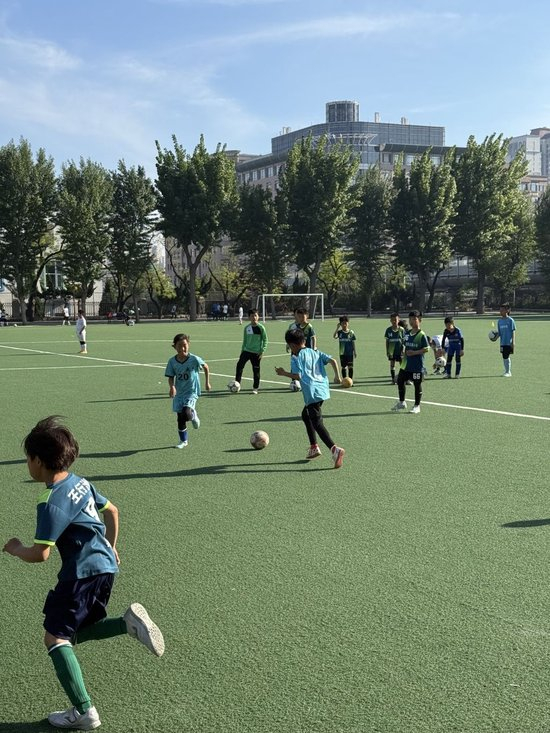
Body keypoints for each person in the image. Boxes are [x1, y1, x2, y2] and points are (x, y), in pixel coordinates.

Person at [2, 416, 164, 731]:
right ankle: (127, 624)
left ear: (38, 461)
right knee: (73, 633)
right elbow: (112, 511)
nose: (27, 464)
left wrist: (16, 547)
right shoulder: (80, 482)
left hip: (80, 574)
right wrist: (111, 547)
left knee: (55, 638)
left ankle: (84, 711)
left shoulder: (51, 501)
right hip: (105, 568)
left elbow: (40, 554)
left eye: (27, 458)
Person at [275, 329, 345, 468]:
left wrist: (283, 373)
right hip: (322, 390)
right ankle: (314, 447)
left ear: (292, 345)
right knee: (305, 415)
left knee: (317, 422)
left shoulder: (296, 356)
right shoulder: (314, 352)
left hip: (312, 393)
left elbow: (298, 376)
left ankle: (335, 449)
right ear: (304, 341)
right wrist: (337, 376)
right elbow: (332, 360)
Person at [165, 333, 211, 449]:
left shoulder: (194, 359)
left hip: (192, 392)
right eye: (179, 346)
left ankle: (193, 415)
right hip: (179, 393)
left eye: (184, 345)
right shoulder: (172, 361)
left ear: (188, 345)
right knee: (180, 418)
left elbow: (206, 367)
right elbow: (171, 377)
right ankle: (183, 441)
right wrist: (172, 387)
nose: (182, 348)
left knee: (186, 413)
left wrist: (207, 382)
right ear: (174, 347)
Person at [391, 310, 429, 414]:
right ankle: (402, 402)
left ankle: (417, 406)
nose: (412, 321)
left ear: (419, 320)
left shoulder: (421, 335)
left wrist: (414, 352)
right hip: (406, 364)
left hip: (417, 366)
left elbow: (426, 349)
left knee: (417, 384)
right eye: (410, 319)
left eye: (414, 319)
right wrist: (403, 352)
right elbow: (405, 345)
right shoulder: (407, 333)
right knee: (400, 381)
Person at [234, 309, 268, 394]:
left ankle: (255, 388)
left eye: (255, 315)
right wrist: (242, 351)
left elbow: (265, 340)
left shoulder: (261, 328)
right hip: (246, 351)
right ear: (249, 317)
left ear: (258, 317)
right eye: (252, 316)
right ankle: (237, 384)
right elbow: (245, 341)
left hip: (256, 352)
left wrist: (262, 351)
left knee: (256, 370)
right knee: (239, 366)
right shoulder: (247, 328)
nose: (254, 317)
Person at [333, 315, 357, 380]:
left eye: (346, 323)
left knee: (350, 367)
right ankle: (344, 380)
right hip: (342, 353)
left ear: (348, 323)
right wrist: (337, 328)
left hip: (350, 353)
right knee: (344, 367)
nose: (344, 325)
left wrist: (355, 351)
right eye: (343, 323)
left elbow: (353, 342)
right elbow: (334, 336)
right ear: (340, 324)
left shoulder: (351, 332)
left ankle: (350, 380)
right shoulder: (340, 332)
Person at [384, 313, 405, 384]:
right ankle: (393, 380)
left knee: (402, 365)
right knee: (392, 365)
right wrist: (387, 351)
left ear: (398, 320)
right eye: (392, 320)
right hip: (391, 351)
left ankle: (404, 379)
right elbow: (387, 341)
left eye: (395, 320)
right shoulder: (388, 330)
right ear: (390, 320)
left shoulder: (402, 330)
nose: (394, 321)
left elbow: (404, 341)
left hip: (400, 351)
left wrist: (404, 349)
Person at [496, 303, 516, 377]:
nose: (500, 312)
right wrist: (494, 337)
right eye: (500, 310)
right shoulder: (499, 321)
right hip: (502, 342)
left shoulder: (510, 320)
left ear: (507, 310)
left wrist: (513, 342)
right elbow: (499, 333)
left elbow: (513, 331)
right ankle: (506, 371)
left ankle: (508, 372)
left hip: (508, 342)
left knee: (506, 356)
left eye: (502, 310)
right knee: (504, 356)